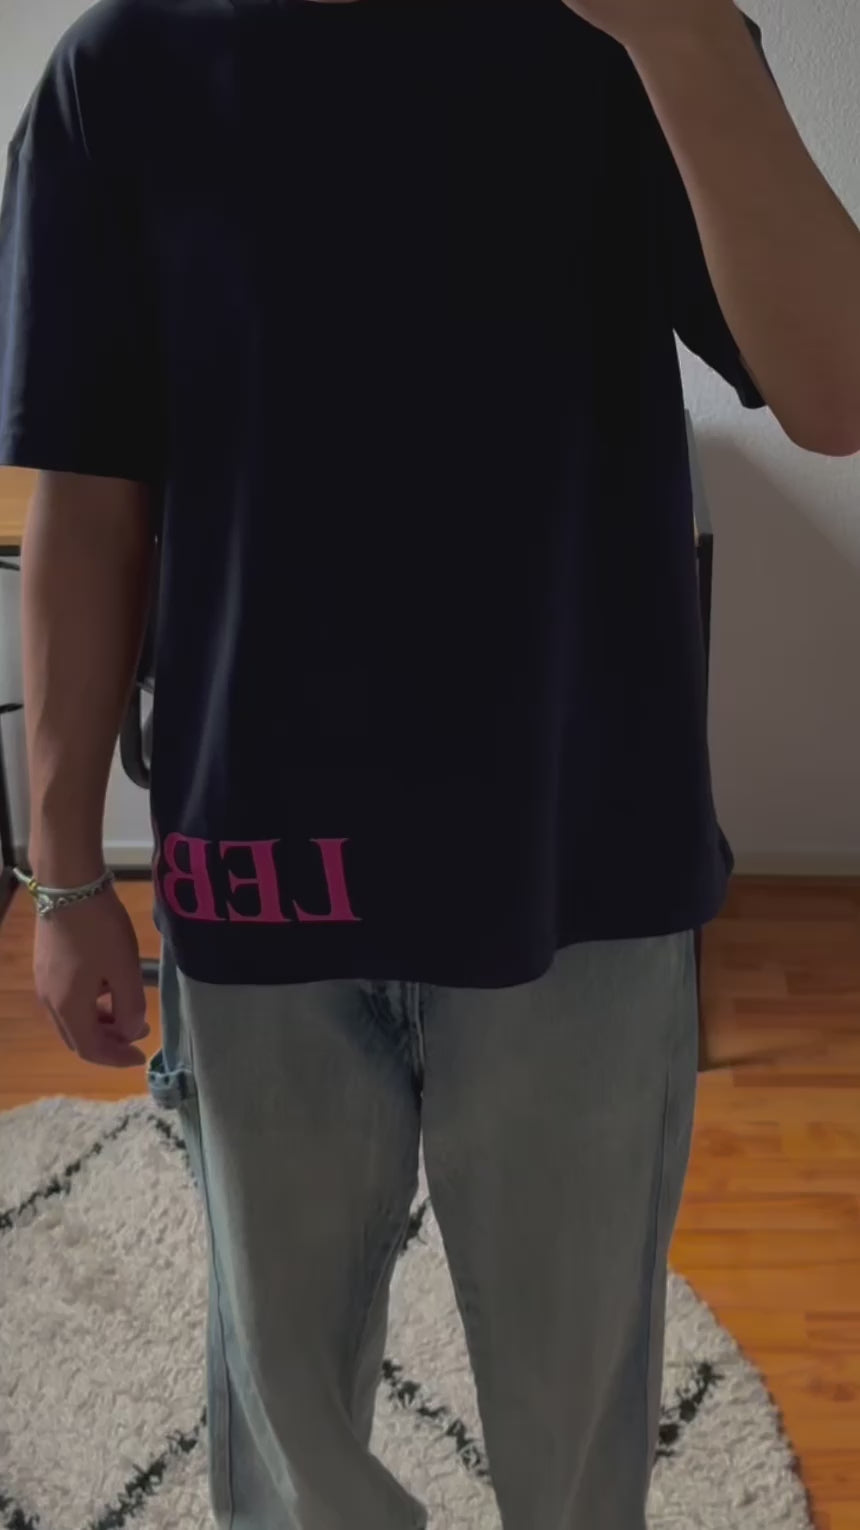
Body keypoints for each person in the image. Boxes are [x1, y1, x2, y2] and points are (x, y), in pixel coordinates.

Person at [2, 0, 859, 1524]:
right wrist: (65, 872)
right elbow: (87, 493)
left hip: (579, 870)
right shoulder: (119, 74)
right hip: (259, 871)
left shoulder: (627, 44)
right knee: (286, 1426)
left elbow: (837, 392)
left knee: (574, 1425)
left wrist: (685, 41)